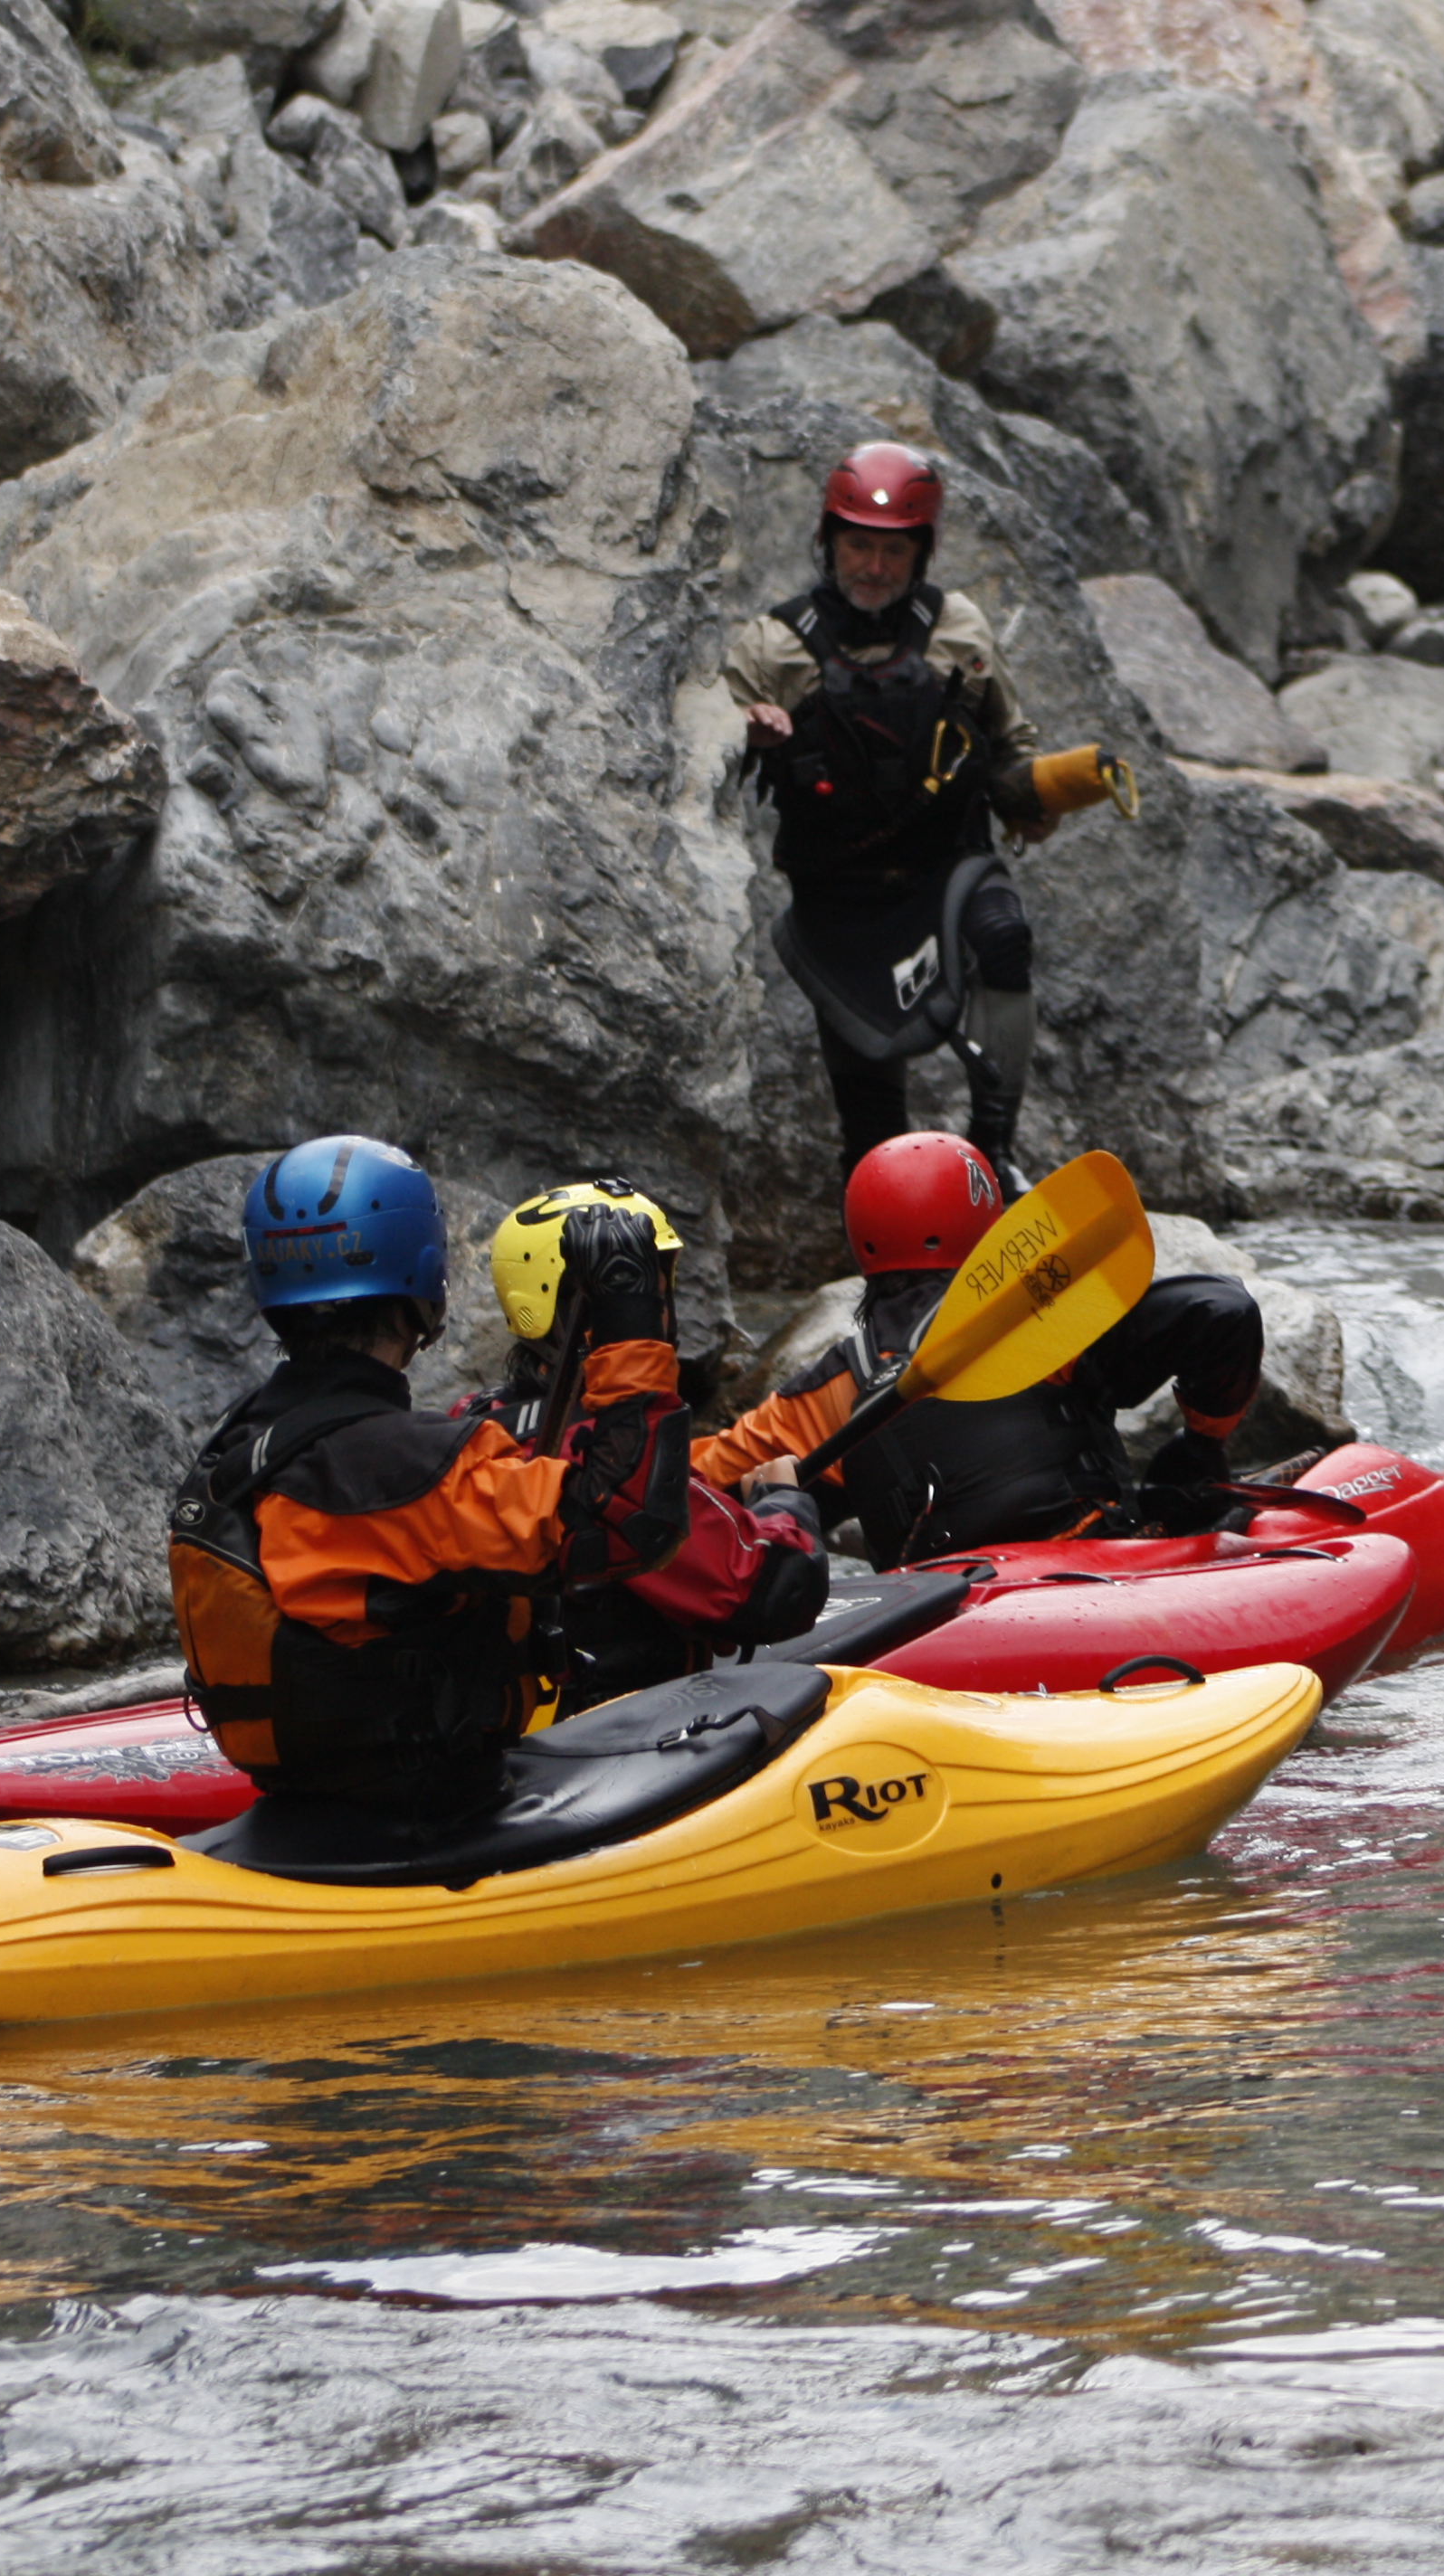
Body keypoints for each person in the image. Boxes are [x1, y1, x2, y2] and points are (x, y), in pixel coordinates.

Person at [166, 1138, 698, 1823]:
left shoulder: (246, 1443)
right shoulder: (417, 1468)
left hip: (302, 1807)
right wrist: (630, 1317)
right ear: (425, 1276)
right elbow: (631, 1523)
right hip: (432, 1819)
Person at [693, 1132, 1268, 1567]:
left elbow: (685, 1483)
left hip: (941, 1621)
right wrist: (1199, 1446)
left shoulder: (822, 1395)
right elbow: (1222, 1311)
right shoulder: (1045, 1323)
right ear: (990, 1227)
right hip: (1096, 1570)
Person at [727, 440, 1054, 1179]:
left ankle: (995, 1156)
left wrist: (1035, 796)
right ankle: (886, 1238)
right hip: (839, 897)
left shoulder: (959, 629)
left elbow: (1010, 744)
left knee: (1004, 937)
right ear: (828, 542)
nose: (874, 568)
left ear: (923, 552)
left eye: (894, 552)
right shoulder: (773, 645)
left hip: (949, 868)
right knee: (871, 1128)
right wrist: (744, 723)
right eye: (857, 546)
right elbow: (698, 739)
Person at [470, 1180, 831, 1709]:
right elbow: (778, 1591)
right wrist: (784, 1503)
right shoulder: (610, 1455)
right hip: (624, 1742)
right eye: (642, 1293)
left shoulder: (474, 1424)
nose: (659, 1310)